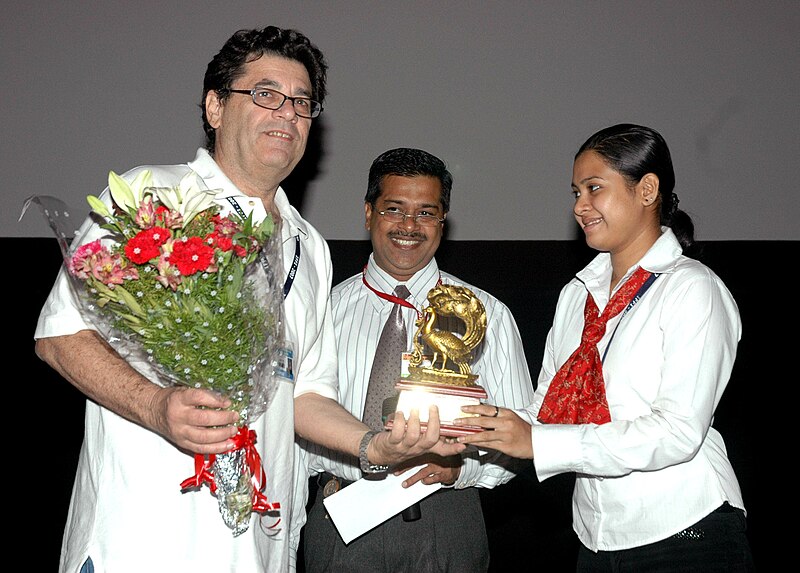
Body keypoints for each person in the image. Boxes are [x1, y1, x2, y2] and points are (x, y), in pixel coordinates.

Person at [34, 27, 461, 573]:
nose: (287, 113)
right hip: (143, 540)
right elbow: (60, 336)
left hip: (261, 545)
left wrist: (374, 447)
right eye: (265, 94)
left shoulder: (309, 247)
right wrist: (156, 408)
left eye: (302, 102)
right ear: (215, 107)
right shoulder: (153, 196)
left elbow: (305, 393)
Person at [455, 124, 755, 571]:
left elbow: (677, 432)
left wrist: (538, 441)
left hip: (686, 533)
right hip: (596, 538)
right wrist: (474, 425)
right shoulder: (578, 294)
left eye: (594, 188)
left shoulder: (692, 288)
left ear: (647, 190)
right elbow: (547, 411)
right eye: (576, 191)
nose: (579, 206)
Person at [299, 147, 536, 572]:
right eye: (394, 209)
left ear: (443, 222)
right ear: (368, 213)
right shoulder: (321, 312)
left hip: (446, 517)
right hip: (341, 516)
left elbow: (522, 435)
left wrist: (459, 468)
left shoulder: (485, 314)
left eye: (426, 213)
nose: (410, 226)